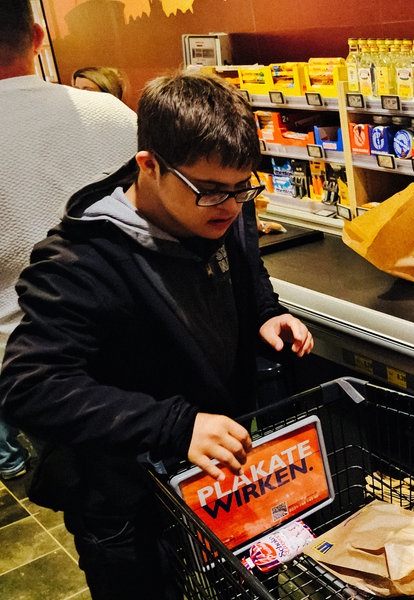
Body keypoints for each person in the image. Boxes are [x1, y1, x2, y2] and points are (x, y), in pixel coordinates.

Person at [0, 70, 313, 599]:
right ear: (149, 165)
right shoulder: (80, 260)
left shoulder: (222, 200)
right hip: (127, 504)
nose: (232, 208)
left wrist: (265, 311)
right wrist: (175, 425)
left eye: (243, 189)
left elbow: (246, 268)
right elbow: (29, 385)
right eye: (213, 193)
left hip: (218, 480)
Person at [0, 0, 137, 480]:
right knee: (180, 492)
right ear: (38, 39)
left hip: (45, 378)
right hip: (144, 344)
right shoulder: (114, 114)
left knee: (99, 506)